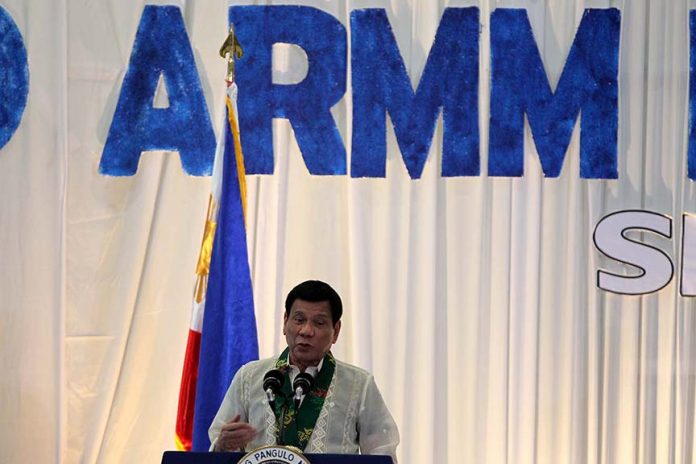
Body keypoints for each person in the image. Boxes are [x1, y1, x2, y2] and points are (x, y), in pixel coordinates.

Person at [208, 280, 400, 461]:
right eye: (299, 320)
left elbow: (382, 453)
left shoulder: (359, 384)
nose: (306, 331)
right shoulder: (249, 377)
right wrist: (222, 446)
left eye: (319, 323)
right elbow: (219, 445)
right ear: (285, 322)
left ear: (336, 330)